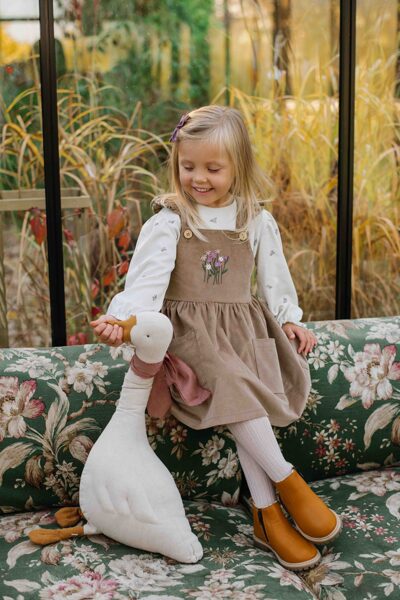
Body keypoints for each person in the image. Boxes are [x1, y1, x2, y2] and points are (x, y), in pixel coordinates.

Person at [90, 105, 342, 571]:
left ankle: (266, 516)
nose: (198, 178)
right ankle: (287, 481)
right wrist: (123, 320)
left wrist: (288, 317)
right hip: (191, 337)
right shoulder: (170, 219)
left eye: (212, 168)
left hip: (242, 333)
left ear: (238, 166)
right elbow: (145, 283)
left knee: (242, 386)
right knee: (230, 380)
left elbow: (274, 277)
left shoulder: (255, 218)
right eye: (188, 167)